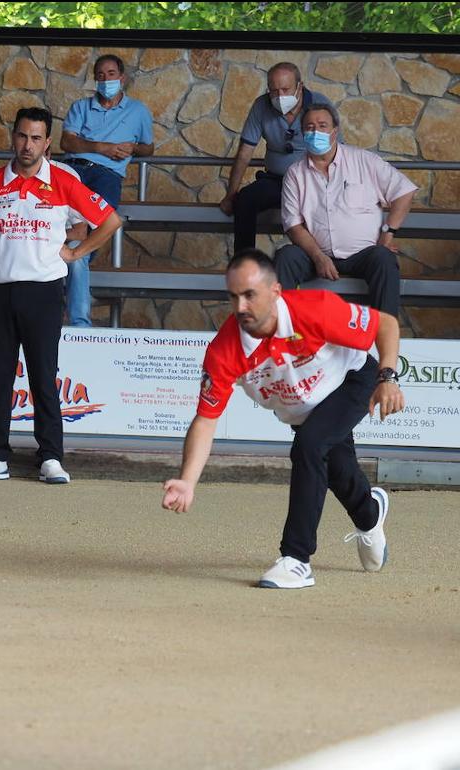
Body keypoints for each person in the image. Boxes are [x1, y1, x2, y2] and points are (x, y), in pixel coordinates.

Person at [162, 249, 404, 589]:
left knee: (310, 446)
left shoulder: (314, 309)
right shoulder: (225, 350)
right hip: (304, 407)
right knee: (334, 464)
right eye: (233, 297)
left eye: (250, 295)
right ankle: (370, 514)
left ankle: (296, 559)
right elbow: (206, 418)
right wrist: (187, 480)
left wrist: (388, 377)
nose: (241, 307)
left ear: (275, 292)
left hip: (350, 380)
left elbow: (385, 324)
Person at [0, 107, 122, 483]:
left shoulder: (64, 182)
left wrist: (76, 253)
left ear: (47, 143)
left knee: (43, 376)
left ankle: (50, 456)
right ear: (13, 137)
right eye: (22, 136)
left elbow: (110, 220)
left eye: (36, 138)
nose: (27, 145)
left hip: (44, 291)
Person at [274, 104, 417, 317]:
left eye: (323, 126)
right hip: (317, 255)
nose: (316, 132)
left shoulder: (364, 161)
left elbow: (404, 192)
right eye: (310, 127)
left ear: (335, 131)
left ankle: (382, 344)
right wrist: (318, 257)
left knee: (384, 259)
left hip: (363, 255)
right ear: (303, 133)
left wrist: (388, 233)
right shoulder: (295, 174)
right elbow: (293, 225)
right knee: (285, 256)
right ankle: (282, 336)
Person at [59, 53, 154, 327]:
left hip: (108, 175)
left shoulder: (138, 112)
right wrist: (103, 148)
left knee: (86, 236)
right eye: (100, 75)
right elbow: (68, 142)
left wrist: (134, 148)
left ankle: (80, 252)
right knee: (62, 226)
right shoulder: (81, 107)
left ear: (121, 77)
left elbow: (149, 147)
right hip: (74, 169)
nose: (105, 80)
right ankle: (78, 251)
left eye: (111, 74)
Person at [219, 63, 334, 254]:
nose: (280, 96)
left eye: (285, 89)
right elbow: (245, 152)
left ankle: (320, 259)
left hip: (312, 180)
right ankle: (245, 263)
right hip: (276, 181)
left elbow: (339, 149)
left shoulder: (320, 105)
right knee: (246, 199)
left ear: (300, 86)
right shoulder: (261, 106)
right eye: (274, 91)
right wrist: (231, 195)